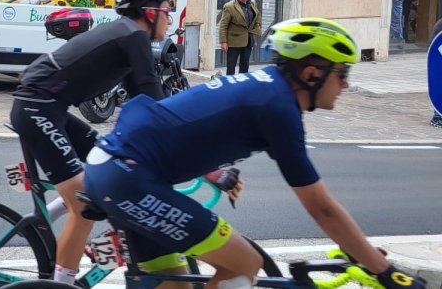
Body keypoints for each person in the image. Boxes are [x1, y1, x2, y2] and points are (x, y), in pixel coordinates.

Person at [83, 18, 427, 289]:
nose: (347, 85)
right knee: (244, 263)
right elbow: (322, 209)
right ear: (312, 74)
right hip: (129, 177)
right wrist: (384, 271)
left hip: (118, 169)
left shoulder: (265, 89)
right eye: (343, 73)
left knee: (174, 284)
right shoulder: (278, 107)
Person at [10, 0, 174, 286]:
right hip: (37, 107)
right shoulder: (134, 36)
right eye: (168, 9)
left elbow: (138, 103)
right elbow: (152, 95)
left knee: (107, 162)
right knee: (84, 207)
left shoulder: (126, 35)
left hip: (50, 108)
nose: (171, 17)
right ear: (149, 12)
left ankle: (58, 212)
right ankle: (61, 285)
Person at [219, 0, 262, 75]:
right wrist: (223, 41)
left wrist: (258, 25)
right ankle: (230, 86)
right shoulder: (229, 6)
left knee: (245, 65)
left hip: (248, 40)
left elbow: (257, 14)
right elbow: (223, 25)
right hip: (234, 42)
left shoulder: (252, 3)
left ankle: (242, 84)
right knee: (231, 67)